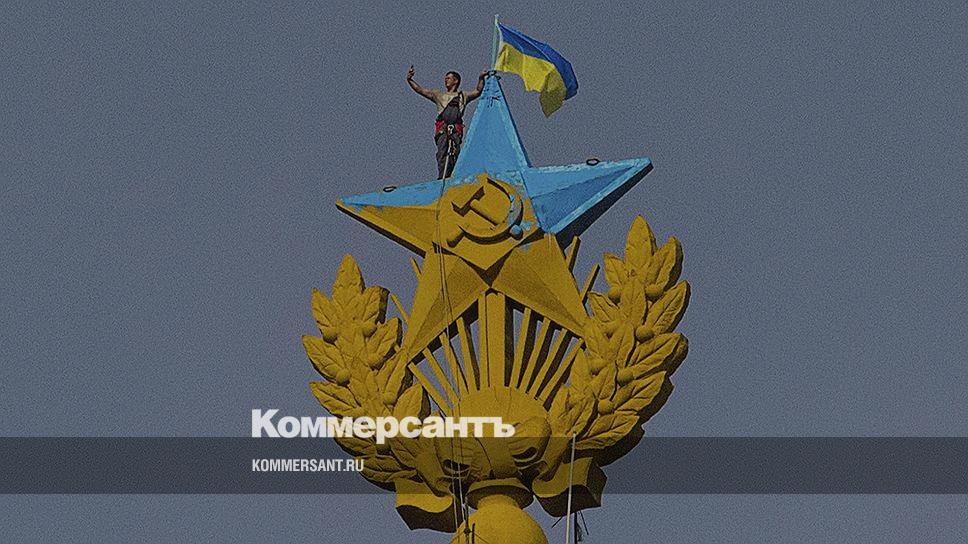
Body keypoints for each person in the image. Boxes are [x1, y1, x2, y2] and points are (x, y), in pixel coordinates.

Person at [407, 66, 487, 178]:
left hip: (455, 131)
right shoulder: (438, 95)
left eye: (448, 78)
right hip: (443, 130)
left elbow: (478, 91)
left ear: (456, 80)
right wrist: (410, 80)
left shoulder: (463, 96)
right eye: (445, 78)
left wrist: (481, 78)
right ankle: (442, 176)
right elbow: (420, 90)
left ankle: (453, 176)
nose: (446, 80)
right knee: (442, 153)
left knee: (454, 153)